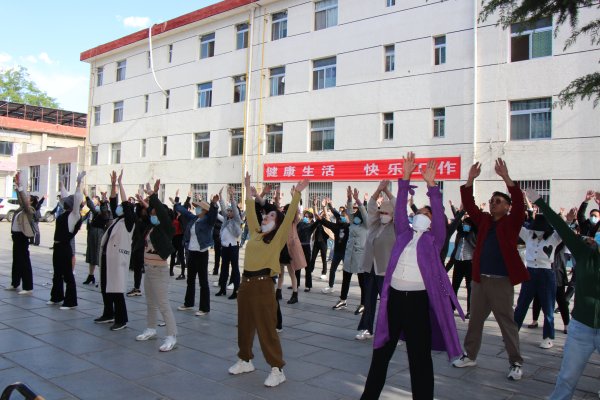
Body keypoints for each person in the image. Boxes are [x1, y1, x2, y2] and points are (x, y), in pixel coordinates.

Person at [361, 154, 463, 400]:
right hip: (394, 301)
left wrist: (432, 186)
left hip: (418, 304)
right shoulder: (404, 234)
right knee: (380, 354)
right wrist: (405, 178)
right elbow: (398, 210)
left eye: (428, 214)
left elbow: (438, 215)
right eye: (421, 211)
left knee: (420, 359)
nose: (422, 214)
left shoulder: (435, 240)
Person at [228, 172, 309, 388]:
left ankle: (277, 369)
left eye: (271, 216)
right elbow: (251, 210)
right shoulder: (256, 233)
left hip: (263, 284)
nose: (266, 217)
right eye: (266, 215)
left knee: (266, 329)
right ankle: (245, 360)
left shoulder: (278, 238)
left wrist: (297, 194)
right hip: (246, 284)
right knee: (244, 325)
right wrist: (247, 188)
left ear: (277, 223)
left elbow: (289, 216)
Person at [452, 159, 529, 381]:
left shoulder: (512, 222)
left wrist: (505, 177)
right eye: (492, 201)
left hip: (501, 281)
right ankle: (470, 355)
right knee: (475, 320)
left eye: (498, 201)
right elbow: (469, 205)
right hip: (480, 280)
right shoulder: (484, 220)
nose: (493, 204)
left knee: (506, 323)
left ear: (507, 207)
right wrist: (470, 179)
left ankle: (515, 362)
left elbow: (519, 203)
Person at [521, 191, 600, 400]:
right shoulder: (584, 254)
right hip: (581, 327)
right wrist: (538, 201)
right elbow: (561, 227)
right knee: (567, 377)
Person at [135, 180, 178, 351]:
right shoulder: (152, 228)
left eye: (154, 213)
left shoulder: (166, 228)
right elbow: (151, 211)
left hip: (159, 271)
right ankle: (151, 328)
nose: (151, 215)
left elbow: (159, 211)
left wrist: (153, 195)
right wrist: (143, 201)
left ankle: (171, 335)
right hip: (148, 269)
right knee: (150, 302)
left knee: (163, 304)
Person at [93, 170, 135, 331]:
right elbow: (112, 201)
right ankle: (108, 313)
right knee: (106, 287)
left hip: (117, 261)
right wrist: (113, 184)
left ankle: (121, 319)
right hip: (107, 259)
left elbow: (124, 203)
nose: (117, 208)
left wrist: (120, 184)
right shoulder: (118, 220)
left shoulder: (129, 222)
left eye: (121, 207)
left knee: (116, 290)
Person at [355, 179, 396, 340]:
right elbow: (371, 206)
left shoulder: (397, 228)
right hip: (370, 268)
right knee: (368, 300)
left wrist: (387, 192)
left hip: (385, 270)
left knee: (389, 303)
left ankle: (393, 332)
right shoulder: (375, 224)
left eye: (387, 213)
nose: (383, 215)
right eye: (382, 213)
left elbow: (399, 208)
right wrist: (378, 189)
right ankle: (366, 328)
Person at [513, 213, 562, 349]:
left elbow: (563, 230)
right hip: (529, 272)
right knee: (521, 304)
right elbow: (515, 224)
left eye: (541, 229)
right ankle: (512, 333)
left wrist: (566, 220)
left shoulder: (553, 237)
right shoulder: (529, 234)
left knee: (548, 307)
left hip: (545, 272)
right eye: (536, 229)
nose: (538, 232)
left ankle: (548, 337)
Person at [174, 192, 219, 316]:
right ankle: (188, 303)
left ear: (204, 210)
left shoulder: (208, 221)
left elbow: (213, 215)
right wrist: (176, 204)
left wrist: (214, 204)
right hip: (191, 252)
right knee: (190, 280)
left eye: (199, 207)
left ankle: (204, 308)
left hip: (201, 253)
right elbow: (184, 211)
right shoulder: (194, 219)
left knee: (203, 282)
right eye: (196, 207)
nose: (196, 209)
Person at [48, 171, 86, 309]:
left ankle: (70, 302)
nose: (63, 201)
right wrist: (62, 183)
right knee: (57, 274)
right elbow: (64, 196)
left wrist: (79, 183)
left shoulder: (74, 215)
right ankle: (56, 297)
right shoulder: (65, 214)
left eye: (67, 202)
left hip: (65, 248)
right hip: (58, 247)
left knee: (68, 275)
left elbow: (77, 197)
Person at [332, 186, 368, 314]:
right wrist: (349, 199)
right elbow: (349, 210)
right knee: (346, 278)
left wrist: (358, 200)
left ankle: (364, 304)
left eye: (358, 210)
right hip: (349, 255)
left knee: (362, 282)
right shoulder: (354, 223)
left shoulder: (367, 224)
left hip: (360, 256)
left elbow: (364, 213)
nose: (356, 213)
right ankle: (343, 300)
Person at [7, 172, 37, 294]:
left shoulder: (29, 210)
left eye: (28, 198)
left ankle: (28, 287)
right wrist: (16, 185)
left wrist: (20, 187)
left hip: (22, 238)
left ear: (31, 202)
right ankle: (15, 283)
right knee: (16, 261)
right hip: (16, 237)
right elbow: (21, 199)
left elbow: (23, 200)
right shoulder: (21, 209)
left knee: (24, 262)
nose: (26, 198)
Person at [216, 186, 242, 299]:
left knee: (235, 269)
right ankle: (222, 289)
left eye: (231, 211)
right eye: (229, 210)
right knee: (224, 268)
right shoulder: (226, 220)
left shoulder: (237, 220)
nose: (229, 212)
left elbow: (235, 209)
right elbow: (223, 208)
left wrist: (232, 196)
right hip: (225, 247)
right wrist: (220, 197)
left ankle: (236, 291)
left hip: (233, 247)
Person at [320, 202, 350, 294]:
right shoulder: (337, 227)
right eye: (341, 216)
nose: (342, 218)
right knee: (332, 269)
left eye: (344, 216)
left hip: (346, 253)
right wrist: (329, 206)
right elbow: (328, 222)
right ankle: (330, 286)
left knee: (347, 272)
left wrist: (331, 207)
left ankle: (345, 290)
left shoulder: (349, 227)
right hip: (337, 252)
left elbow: (341, 215)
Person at [83, 190, 110, 285]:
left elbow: (97, 208)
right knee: (92, 255)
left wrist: (87, 195)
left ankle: (102, 279)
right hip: (93, 232)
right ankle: (91, 275)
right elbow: (91, 208)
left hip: (99, 233)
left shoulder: (105, 212)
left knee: (98, 255)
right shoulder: (96, 211)